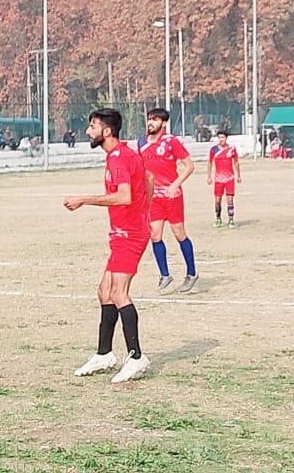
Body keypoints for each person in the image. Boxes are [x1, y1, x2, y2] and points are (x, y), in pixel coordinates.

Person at [65, 108, 153, 383]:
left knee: (118, 293)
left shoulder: (117, 158)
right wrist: (145, 212)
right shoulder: (125, 154)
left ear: (106, 131)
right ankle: (104, 354)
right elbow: (148, 180)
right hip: (124, 233)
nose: (88, 131)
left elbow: (124, 197)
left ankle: (136, 356)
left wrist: (84, 199)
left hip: (130, 235)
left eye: (92, 126)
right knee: (104, 292)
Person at [137, 108, 197, 294]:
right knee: (155, 235)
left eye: (155, 119)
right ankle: (165, 275)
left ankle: (191, 273)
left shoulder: (171, 141)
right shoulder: (141, 143)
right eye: (149, 119)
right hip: (153, 198)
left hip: (172, 196)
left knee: (179, 234)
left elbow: (189, 166)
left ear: (163, 123)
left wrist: (175, 184)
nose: (151, 122)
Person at [208, 131, 240, 228]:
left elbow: (236, 161)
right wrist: (209, 176)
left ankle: (231, 220)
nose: (221, 139)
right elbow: (209, 162)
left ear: (226, 138)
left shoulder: (232, 149)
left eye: (223, 137)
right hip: (218, 179)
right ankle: (218, 219)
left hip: (230, 178)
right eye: (219, 137)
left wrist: (238, 175)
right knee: (218, 200)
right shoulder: (213, 150)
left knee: (230, 200)